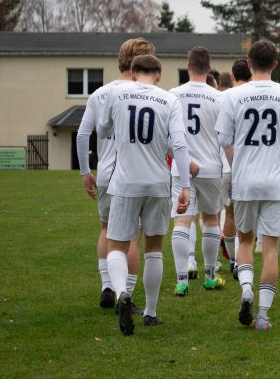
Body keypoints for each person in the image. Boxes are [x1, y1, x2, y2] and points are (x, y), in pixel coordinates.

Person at [97, 54, 191, 335]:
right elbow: (180, 146)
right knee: (153, 249)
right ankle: (150, 312)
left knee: (116, 246)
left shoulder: (116, 93)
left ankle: (123, 293)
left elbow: (102, 129)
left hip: (125, 183)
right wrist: (184, 185)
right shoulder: (169, 100)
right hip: (158, 184)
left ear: (133, 73)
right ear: (159, 76)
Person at [215, 40, 280, 330]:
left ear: (249, 63)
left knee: (244, 240)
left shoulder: (232, 96)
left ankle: (245, 290)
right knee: (270, 248)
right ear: (277, 65)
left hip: (244, 182)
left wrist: (238, 161)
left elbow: (224, 140)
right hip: (275, 182)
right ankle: (263, 316)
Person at [76, 38, 152, 311]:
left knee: (107, 229)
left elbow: (84, 134)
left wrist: (86, 171)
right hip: (135, 174)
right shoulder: (150, 94)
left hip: (107, 173)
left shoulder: (100, 93)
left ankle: (107, 285)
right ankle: (126, 294)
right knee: (133, 235)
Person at [167, 46, 226, 296]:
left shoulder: (172, 95)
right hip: (211, 168)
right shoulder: (219, 97)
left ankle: (182, 280)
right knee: (211, 219)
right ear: (209, 67)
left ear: (188, 66)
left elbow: (166, 135)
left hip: (182, 168)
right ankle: (210, 276)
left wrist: (185, 158)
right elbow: (225, 136)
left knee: (182, 221)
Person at [222, 58, 251, 279]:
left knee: (228, 214)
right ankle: (239, 260)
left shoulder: (225, 96)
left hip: (223, 163)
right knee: (249, 217)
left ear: (232, 77)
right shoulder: (254, 96)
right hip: (248, 165)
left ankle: (233, 259)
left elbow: (221, 136)